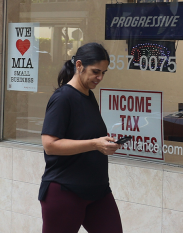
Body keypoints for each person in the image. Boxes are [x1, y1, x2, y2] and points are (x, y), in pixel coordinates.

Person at [39, 42, 123, 233]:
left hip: (98, 190)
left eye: (103, 72)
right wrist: (95, 144)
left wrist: (105, 144)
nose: (100, 77)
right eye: (95, 71)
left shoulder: (89, 96)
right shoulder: (63, 98)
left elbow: (87, 136)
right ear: (79, 66)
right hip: (65, 191)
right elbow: (49, 145)